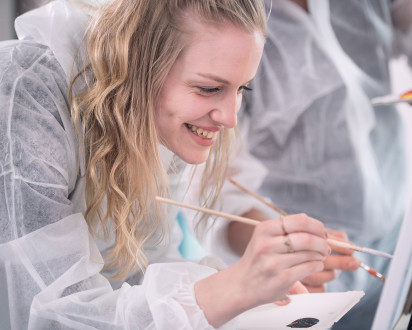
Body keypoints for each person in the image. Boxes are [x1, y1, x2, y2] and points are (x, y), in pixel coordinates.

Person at [0, 0, 332, 328]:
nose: (230, 118)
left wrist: (253, 293)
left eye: (241, 88)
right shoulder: (25, 98)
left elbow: (144, 268)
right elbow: (50, 314)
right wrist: (233, 289)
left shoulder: (155, 114)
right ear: (139, 59)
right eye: (209, 88)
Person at [185, 0, 412, 329]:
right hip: (313, 279)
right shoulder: (219, 20)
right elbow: (217, 197)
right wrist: (284, 248)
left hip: (400, 233)